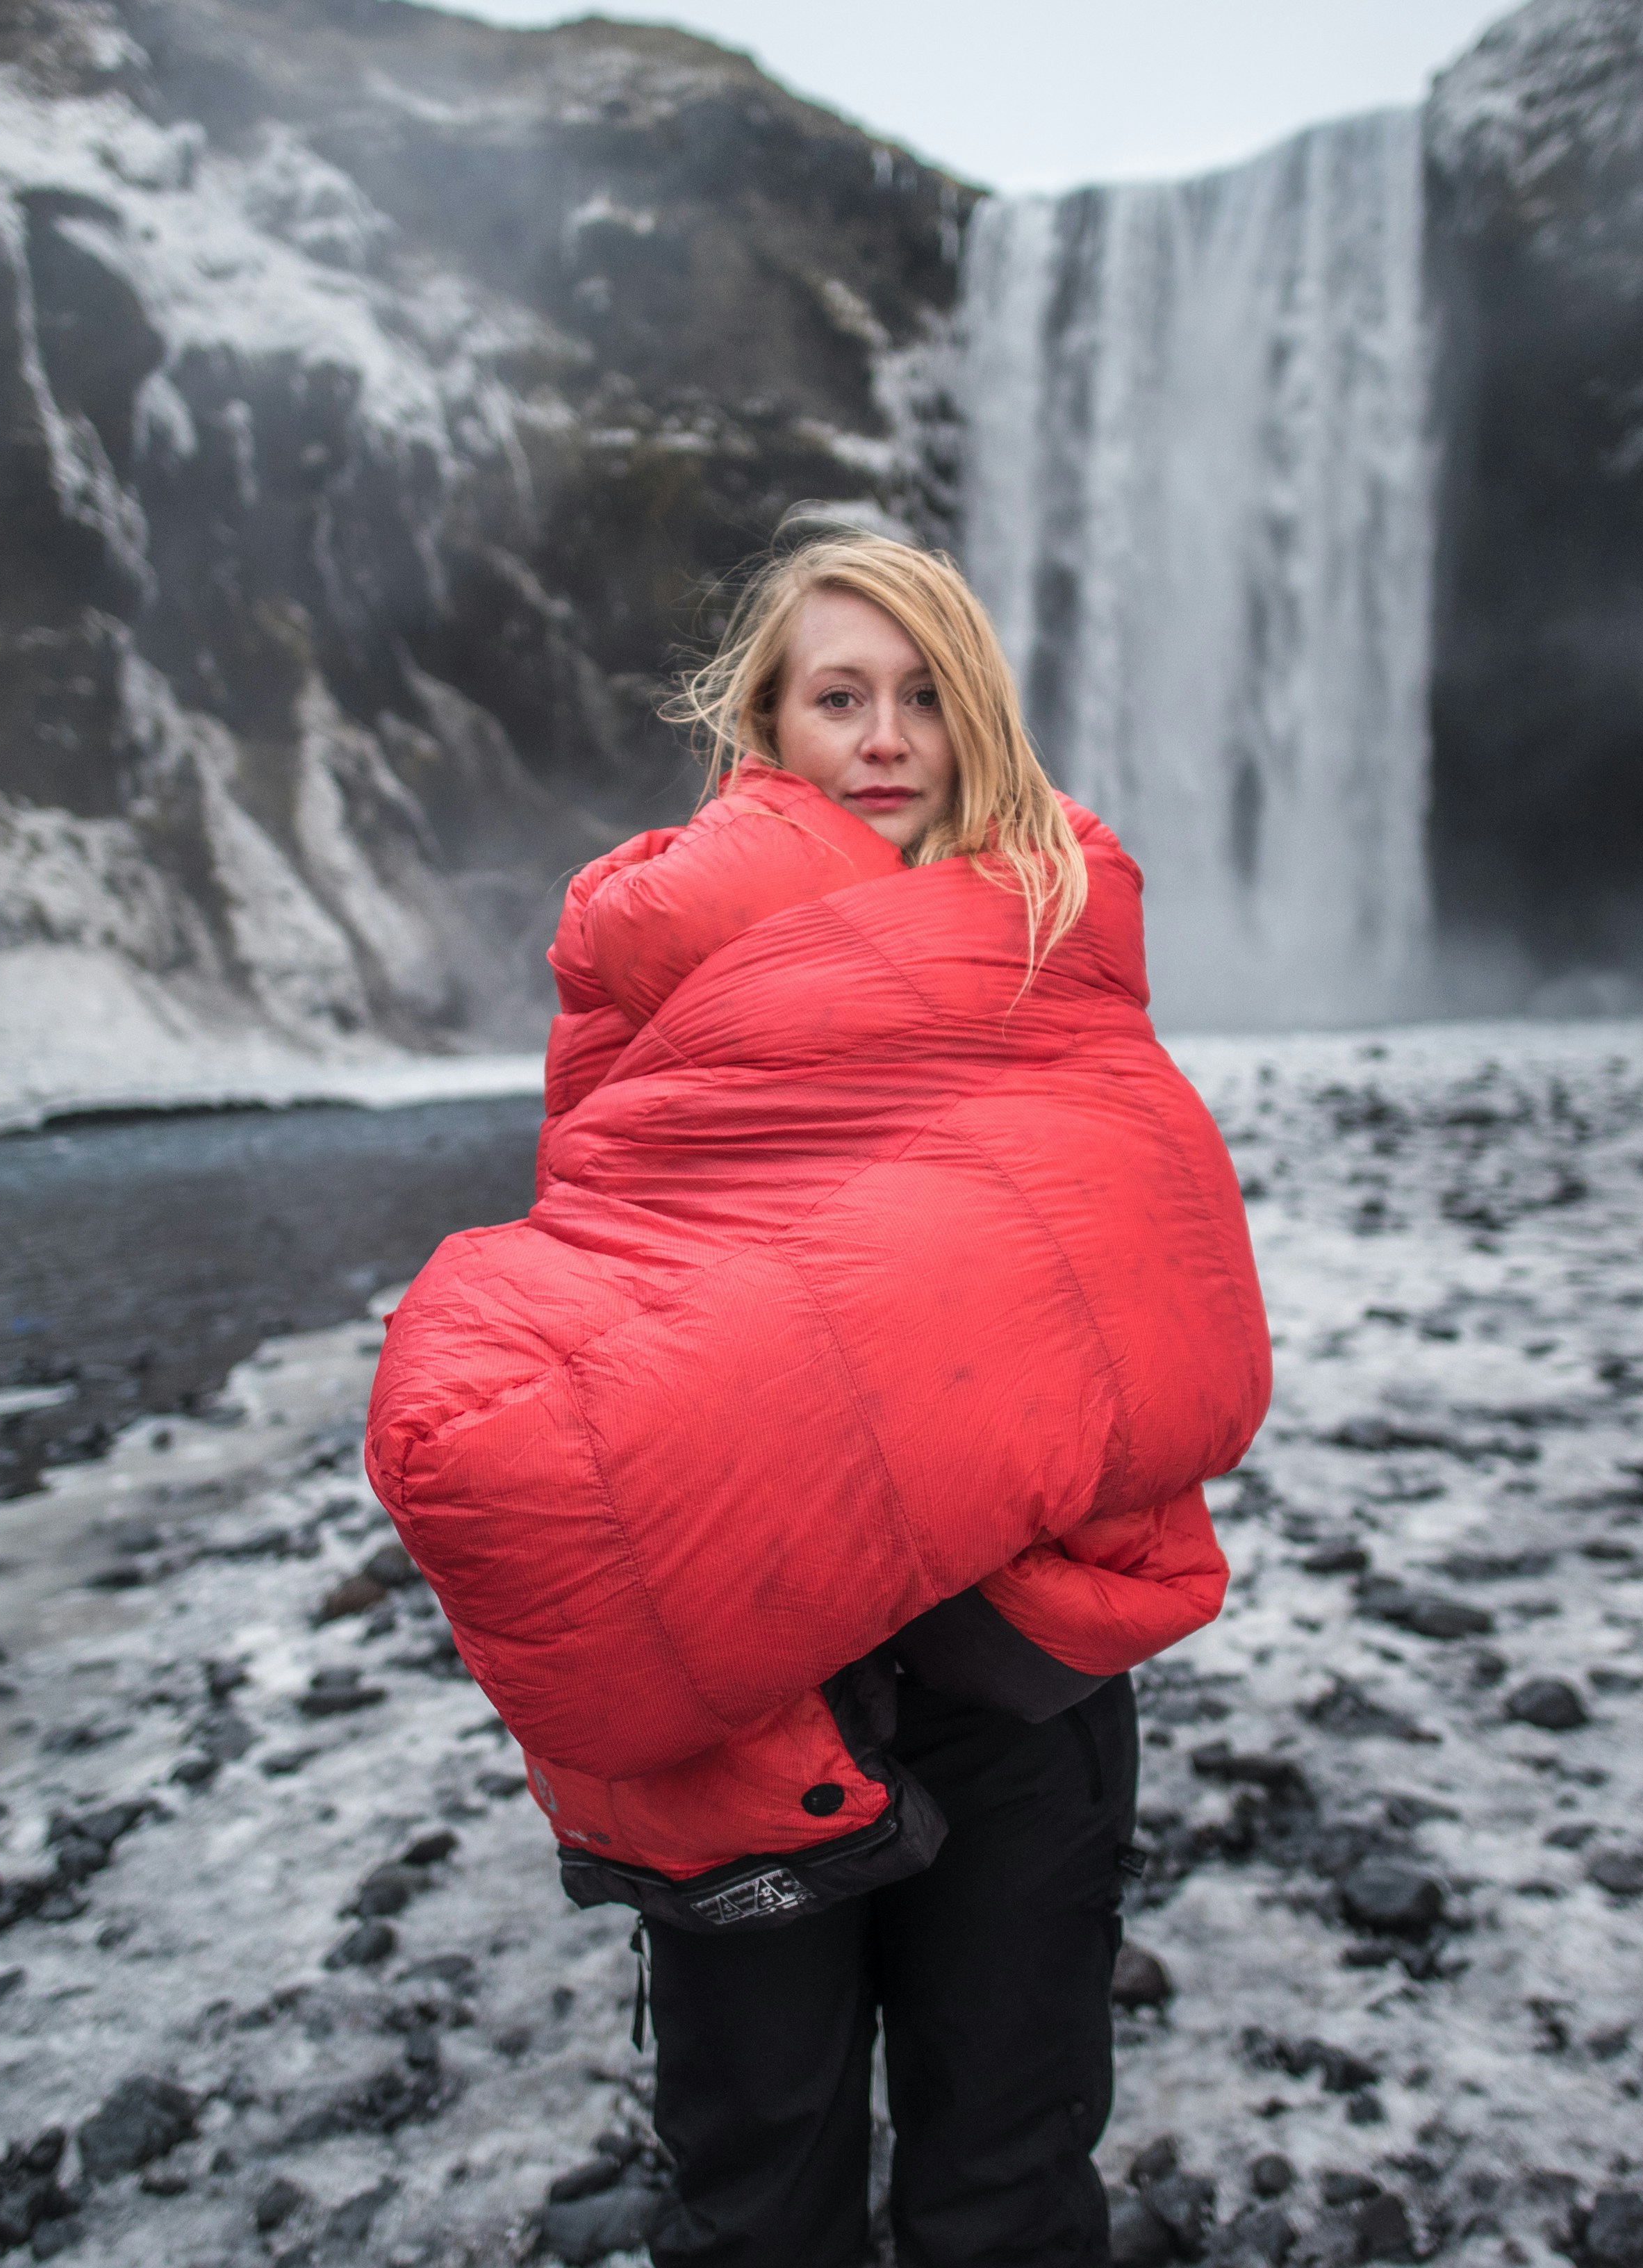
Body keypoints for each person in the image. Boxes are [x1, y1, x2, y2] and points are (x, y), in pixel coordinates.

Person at [365, 530, 1271, 2268]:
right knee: (756, 2167)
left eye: (924, 695)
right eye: (838, 696)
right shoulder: (647, 954)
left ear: (976, 715)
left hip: (1021, 1642)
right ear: (766, 726)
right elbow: (623, 1226)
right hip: (760, 1640)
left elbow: (1139, 1242)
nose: (884, 735)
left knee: (1009, 2155)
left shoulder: (1065, 931)